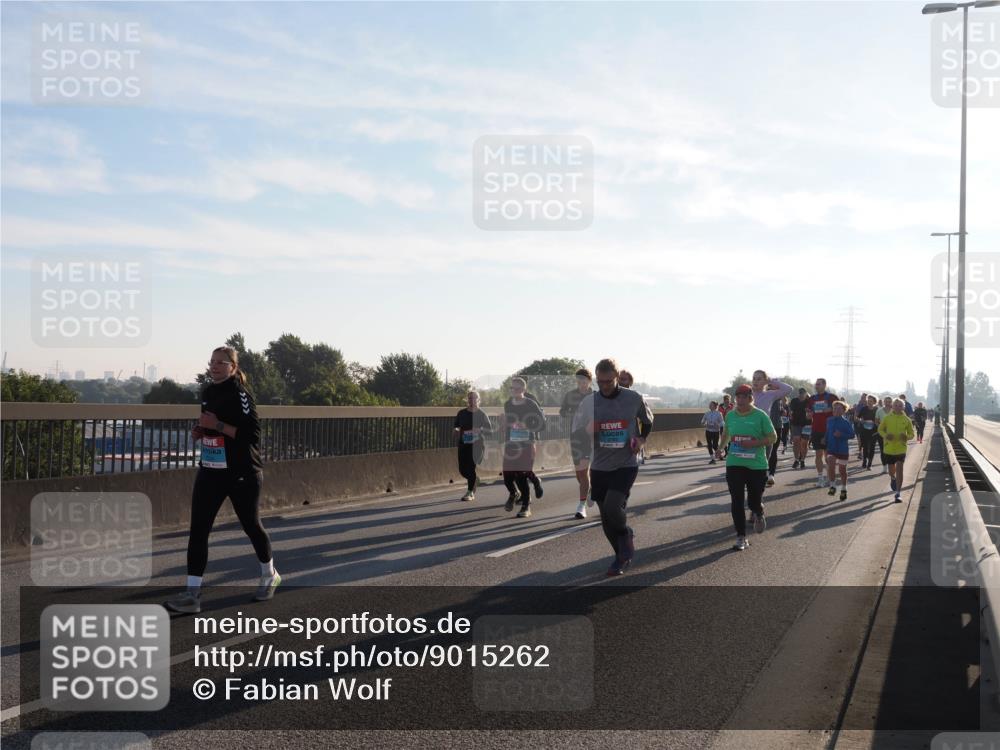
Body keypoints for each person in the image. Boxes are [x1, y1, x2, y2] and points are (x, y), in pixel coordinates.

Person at [165, 346, 278, 615]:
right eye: (212, 362)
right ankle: (192, 595)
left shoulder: (239, 393)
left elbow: (252, 435)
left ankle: (269, 574)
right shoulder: (208, 391)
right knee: (199, 530)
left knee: (251, 525)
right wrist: (201, 431)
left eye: (221, 363)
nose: (214, 366)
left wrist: (216, 426)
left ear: (233, 367)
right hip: (211, 469)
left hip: (242, 472)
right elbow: (212, 424)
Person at [572, 358, 653, 576]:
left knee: (612, 506)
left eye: (608, 381)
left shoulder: (633, 398)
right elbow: (578, 430)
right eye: (600, 382)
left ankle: (626, 534)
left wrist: (642, 439)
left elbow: (647, 421)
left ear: (617, 378)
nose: (604, 386)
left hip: (625, 463)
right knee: (605, 517)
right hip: (599, 464)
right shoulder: (589, 402)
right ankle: (620, 556)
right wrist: (590, 429)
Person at [716, 384, 777, 551]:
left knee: (753, 501)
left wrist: (754, 443)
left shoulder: (760, 415)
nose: (741, 400)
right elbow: (726, 434)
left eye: (744, 397)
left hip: (756, 465)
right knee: (736, 500)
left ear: (751, 398)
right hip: (735, 462)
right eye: (738, 397)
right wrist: (720, 448)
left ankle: (758, 512)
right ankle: (741, 536)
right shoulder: (730, 415)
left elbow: (773, 437)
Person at [502, 378, 546, 517]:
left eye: (516, 388)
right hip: (511, 443)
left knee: (521, 475)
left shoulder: (531, 404)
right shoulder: (508, 404)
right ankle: (515, 492)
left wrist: (527, 426)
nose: (513, 391)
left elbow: (542, 424)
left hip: (527, 442)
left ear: (523, 390)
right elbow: (509, 422)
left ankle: (526, 507)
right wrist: (505, 423)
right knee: (507, 476)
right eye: (512, 388)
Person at [749, 370, 794, 487]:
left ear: (765, 381)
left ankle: (758, 494)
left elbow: (789, 389)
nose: (755, 381)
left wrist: (771, 381)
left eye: (759, 379)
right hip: (747, 433)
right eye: (754, 378)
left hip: (765, 433)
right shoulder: (747, 393)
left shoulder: (769, 394)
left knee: (763, 463)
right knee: (748, 465)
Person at [560, 368, 594, 519]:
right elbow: (562, 411)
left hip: (590, 436)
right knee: (579, 474)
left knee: (584, 469)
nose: (582, 384)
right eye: (579, 381)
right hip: (575, 436)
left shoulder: (595, 396)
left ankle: (581, 506)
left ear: (589, 381)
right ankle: (590, 489)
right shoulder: (571, 395)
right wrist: (572, 414)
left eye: (584, 381)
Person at [453, 391, 493, 501]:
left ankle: (470, 492)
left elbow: (490, 431)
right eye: (470, 398)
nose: (472, 400)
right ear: (467, 400)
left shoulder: (481, 414)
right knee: (462, 470)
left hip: (477, 445)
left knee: (470, 468)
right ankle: (474, 479)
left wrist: (480, 429)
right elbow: (456, 426)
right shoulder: (461, 413)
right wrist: (455, 430)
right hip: (463, 444)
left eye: (474, 398)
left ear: (478, 400)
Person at [878, 398, 915, 503]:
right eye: (896, 405)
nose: (898, 407)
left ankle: (898, 493)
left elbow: (912, 434)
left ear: (903, 407)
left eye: (900, 405)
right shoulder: (887, 418)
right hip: (889, 448)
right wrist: (885, 436)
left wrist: (906, 437)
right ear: (892, 407)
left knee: (900, 469)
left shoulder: (907, 419)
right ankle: (893, 478)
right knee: (891, 471)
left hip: (901, 448)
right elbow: (880, 429)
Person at [807, 378, 839, 488]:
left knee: (828, 456)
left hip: (829, 430)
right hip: (816, 429)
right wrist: (809, 415)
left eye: (819, 384)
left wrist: (830, 410)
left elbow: (842, 410)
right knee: (818, 455)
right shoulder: (812, 399)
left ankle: (831, 478)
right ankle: (820, 478)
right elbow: (809, 413)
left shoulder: (832, 397)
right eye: (816, 384)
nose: (816, 386)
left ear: (824, 385)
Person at [824, 401, 856, 501]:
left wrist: (841, 434)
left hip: (842, 449)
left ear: (843, 411)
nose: (836, 410)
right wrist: (824, 439)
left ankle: (843, 489)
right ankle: (833, 486)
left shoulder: (846, 422)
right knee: (831, 465)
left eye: (839, 409)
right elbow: (827, 432)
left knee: (842, 471)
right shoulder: (829, 420)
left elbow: (852, 435)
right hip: (831, 448)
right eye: (835, 408)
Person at [617, 370, 646, 465]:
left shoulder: (636, 397)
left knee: (630, 466)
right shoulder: (610, 397)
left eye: (623, 379)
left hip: (632, 439)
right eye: (619, 379)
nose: (620, 382)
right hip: (615, 438)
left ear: (630, 381)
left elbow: (648, 421)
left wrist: (641, 439)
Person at [856, 394, 880, 470]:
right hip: (864, 430)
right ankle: (864, 461)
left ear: (874, 402)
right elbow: (857, 417)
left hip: (874, 431)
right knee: (865, 447)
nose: (869, 402)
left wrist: (876, 423)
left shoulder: (877, 409)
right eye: (868, 401)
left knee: (872, 448)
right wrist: (861, 420)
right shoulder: (864, 408)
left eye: (871, 401)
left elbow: (880, 419)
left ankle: (869, 464)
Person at [789, 388, 811, 469]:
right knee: (796, 441)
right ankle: (796, 460)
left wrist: (810, 413)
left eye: (803, 393)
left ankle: (802, 460)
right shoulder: (794, 401)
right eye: (800, 393)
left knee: (804, 443)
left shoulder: (809, 401)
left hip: (807, 424)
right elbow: (791, 412)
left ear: (806, 393)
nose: (801, 394)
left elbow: (813, 411)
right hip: (796, 424)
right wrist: (790, 417)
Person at [875, 396, 894, 474]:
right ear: (884, 402)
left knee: (891, 450)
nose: (888, 403)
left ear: (891, 402)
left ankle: (891, 465)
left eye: (889, 401)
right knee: (883, 450)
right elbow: (876, 421)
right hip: (881, 433)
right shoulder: (879, 410)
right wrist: (881, 427)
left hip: (892, 433)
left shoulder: (894, 411)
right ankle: (884, 467)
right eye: (886, 401)